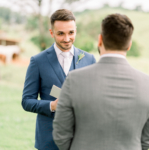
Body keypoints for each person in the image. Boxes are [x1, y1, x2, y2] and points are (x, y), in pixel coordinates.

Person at [53, 13, 149, 150]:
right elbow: (146, 141)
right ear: (129, 45)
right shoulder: (148, 84)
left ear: (100, 40)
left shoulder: (74, 80)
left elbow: (61, 134)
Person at [22, 9, 96, 150]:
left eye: (71, 33)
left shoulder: (89, 59)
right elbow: (26, 101)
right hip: (49, 140)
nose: (67, 39)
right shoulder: (37, 61)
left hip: (82, 140)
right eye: (61, 33)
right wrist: (52, 106)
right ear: (51, 33)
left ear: (75, 30)